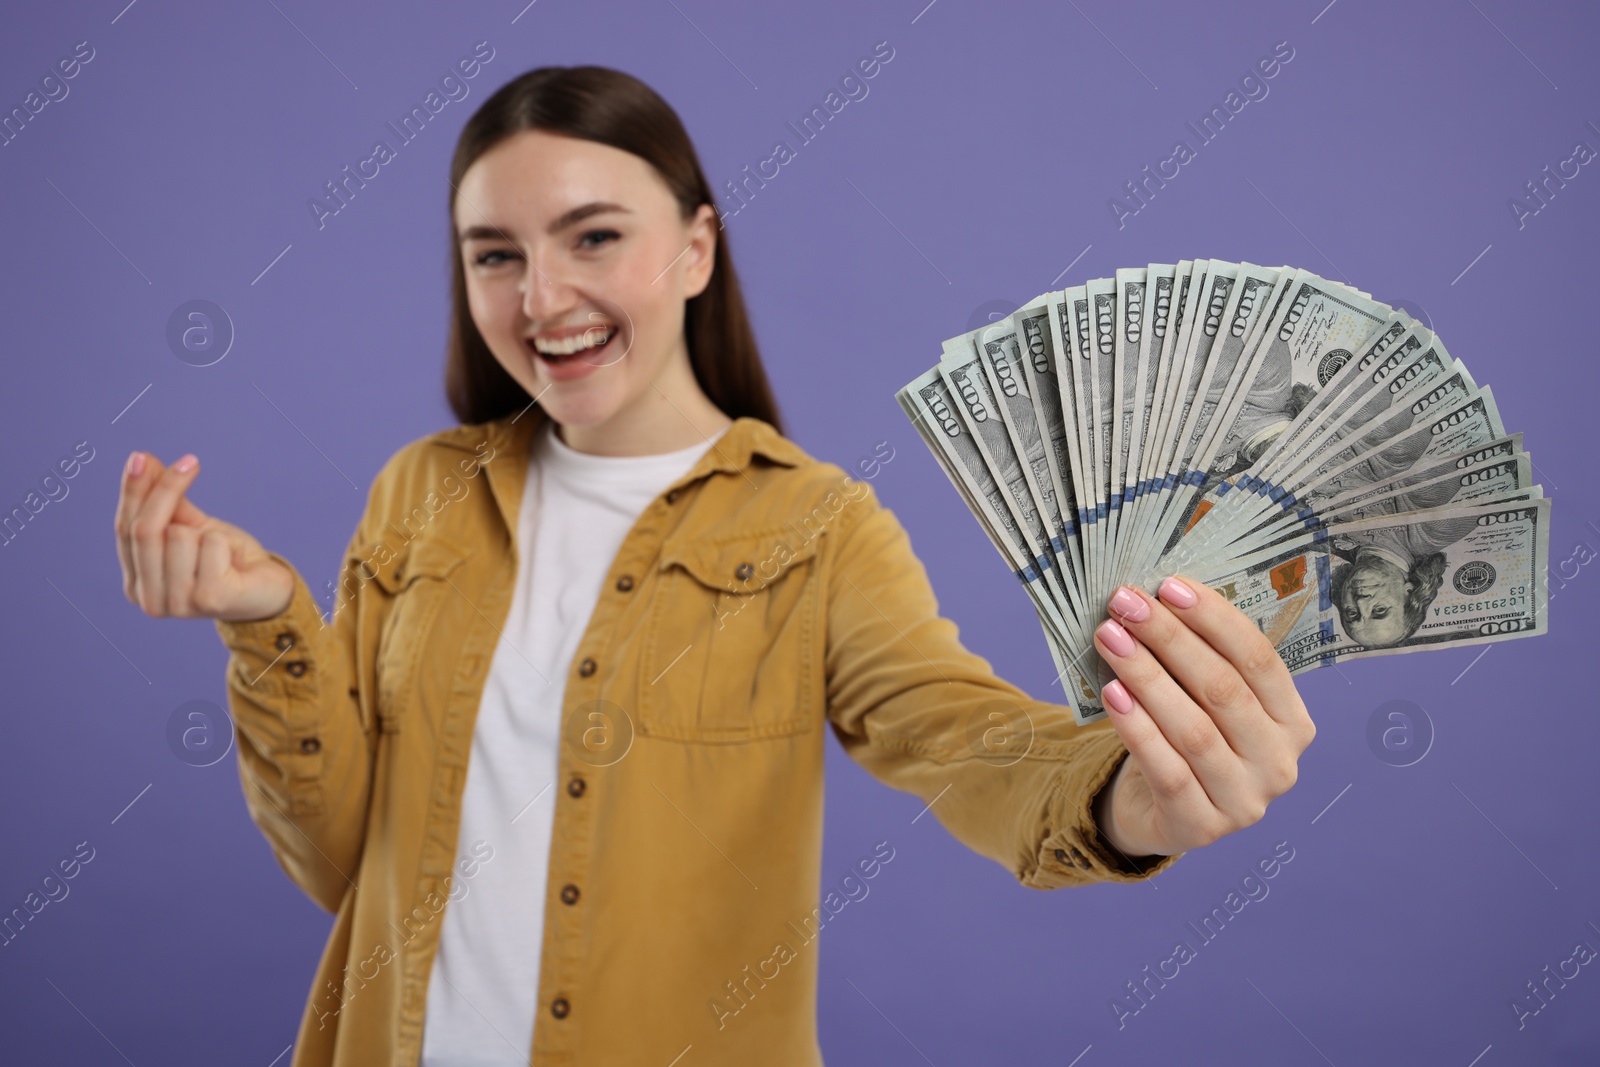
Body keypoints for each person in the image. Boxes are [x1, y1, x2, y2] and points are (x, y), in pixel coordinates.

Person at [111, 66, 1315, 1067]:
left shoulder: (819, 527)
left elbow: (959, 736)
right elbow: (345, 863)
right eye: (494, 255)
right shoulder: (419, 493)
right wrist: (268, 618)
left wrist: (1129, 798)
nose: (542, 297)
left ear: (695, 247)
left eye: (593, 236)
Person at [1328, 513, 1481, 647]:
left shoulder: (1322, 541)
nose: (1361, 602)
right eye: (1380, 610)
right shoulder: (1436, 532)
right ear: (1409, 591)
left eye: (1352, 613)